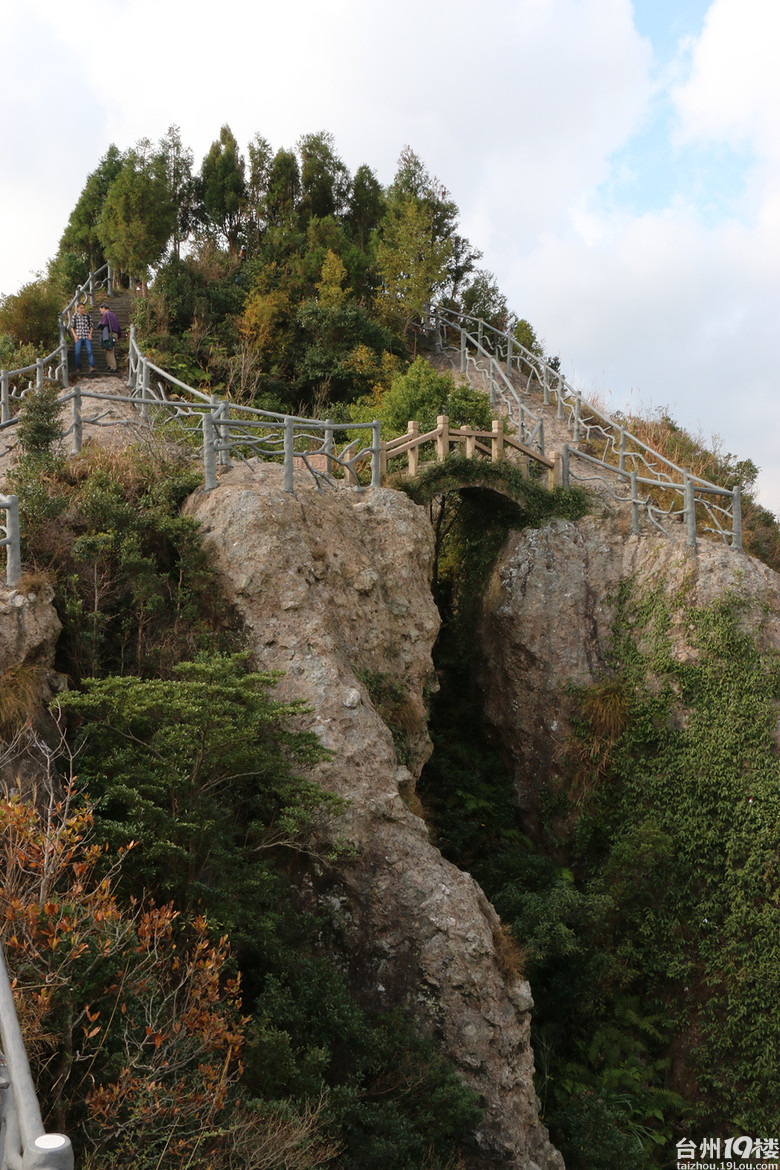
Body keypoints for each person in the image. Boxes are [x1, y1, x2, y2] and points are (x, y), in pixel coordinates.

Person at [71, 303, 94, 374]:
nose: (82, 309)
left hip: (86, 336)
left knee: (89, 351)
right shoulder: (75, 317)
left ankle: (91, 366)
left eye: (83, 308)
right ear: (77, 308)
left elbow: (91, 326)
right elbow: (72, 327)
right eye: (81, 308)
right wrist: (75, 336)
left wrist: (90, 334)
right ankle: (78, 367)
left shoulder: (87, 316)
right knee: (77, 353)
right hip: (79, 336)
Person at [98, 302, 121, 372]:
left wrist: (98, 326)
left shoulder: (106, 314)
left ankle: (113, 367)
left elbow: (103, 323)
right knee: (108, 350)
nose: (101, 312)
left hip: (110, 334)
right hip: (115, 334)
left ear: (104, 308)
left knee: (109, 351)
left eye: (101, 310)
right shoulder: (113, 315)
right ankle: (110, 365)